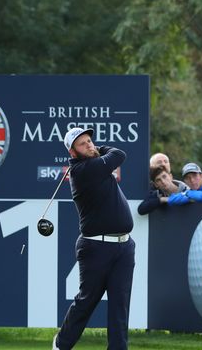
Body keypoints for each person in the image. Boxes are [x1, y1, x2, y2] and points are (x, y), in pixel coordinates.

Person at [53, 127, 135, 350]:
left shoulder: (95, 165)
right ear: (73, 153)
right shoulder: (83, 170)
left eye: (90, 141)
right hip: (96, 247)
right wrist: (99, 149)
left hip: (123, 247)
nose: (89, 145)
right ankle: (61, 345)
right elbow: (119, 154)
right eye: (83, 144)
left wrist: (94, 149)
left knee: (120, 305)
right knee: (87, 301)